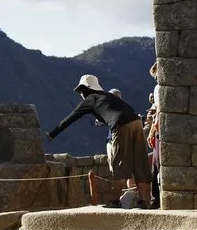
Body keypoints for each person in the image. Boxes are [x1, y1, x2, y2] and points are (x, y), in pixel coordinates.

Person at [45, 74, 153, 208]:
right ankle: (143, 200)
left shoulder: (90, 99)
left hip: (121, 126)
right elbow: (116, 111)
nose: (81, 95)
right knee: (139, 161)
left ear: (85, 89)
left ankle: (114, 201)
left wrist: (52, 134)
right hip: (136, 123)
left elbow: (71, 118)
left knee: (119, 163)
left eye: (81, 91)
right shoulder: (109, 96)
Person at [147, 62, 161, 209]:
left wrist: (152, 131)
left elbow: (158, 111)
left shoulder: (158, 89)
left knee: (157, 165)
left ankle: (155, 200)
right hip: (160, 129)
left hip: (160, 130)